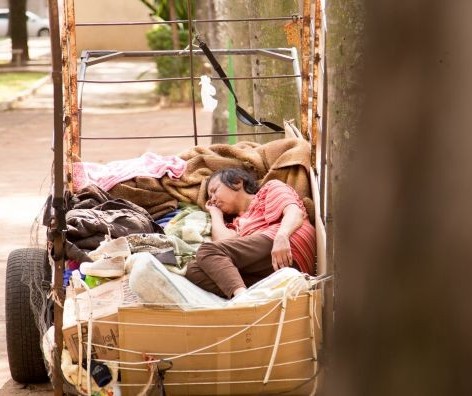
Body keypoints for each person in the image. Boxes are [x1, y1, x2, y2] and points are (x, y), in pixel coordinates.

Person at [185, 168, 316, 299]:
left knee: (206, 250)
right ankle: (248, 295)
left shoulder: (270, 189)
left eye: (214, 191)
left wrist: (282, 236)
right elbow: (222, 246)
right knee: (193, 270)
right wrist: (215, 213)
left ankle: (242, 298)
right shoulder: (236, 223)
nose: (212, 199)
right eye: (210, 197)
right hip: (271, 269)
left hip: (289, 243)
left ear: (237, 182)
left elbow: (294, 212)